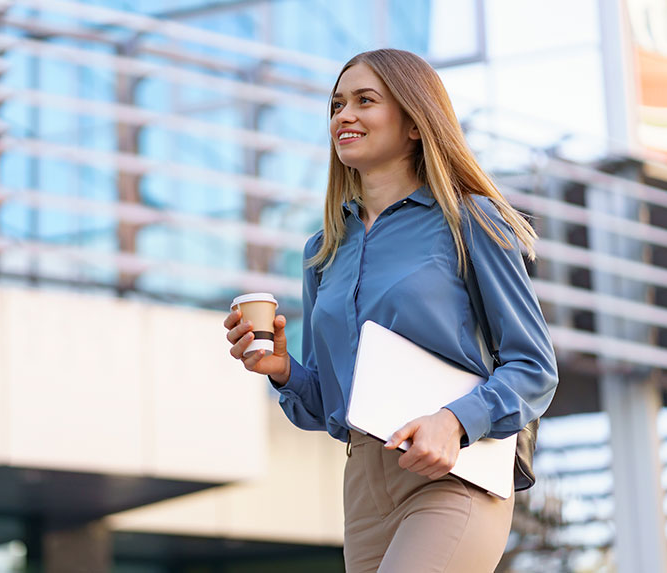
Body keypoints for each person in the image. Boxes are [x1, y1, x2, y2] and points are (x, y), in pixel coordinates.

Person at [223, 49, 558, 572]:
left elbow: (534, 368)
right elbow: (329, 410)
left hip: (454, 475)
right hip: (363, 489)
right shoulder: (324, 250)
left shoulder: (470, 221)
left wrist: (454, 421)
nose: (344, 116)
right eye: (336, 105)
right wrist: (285, 372)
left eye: (364, 101)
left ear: (414, 123)